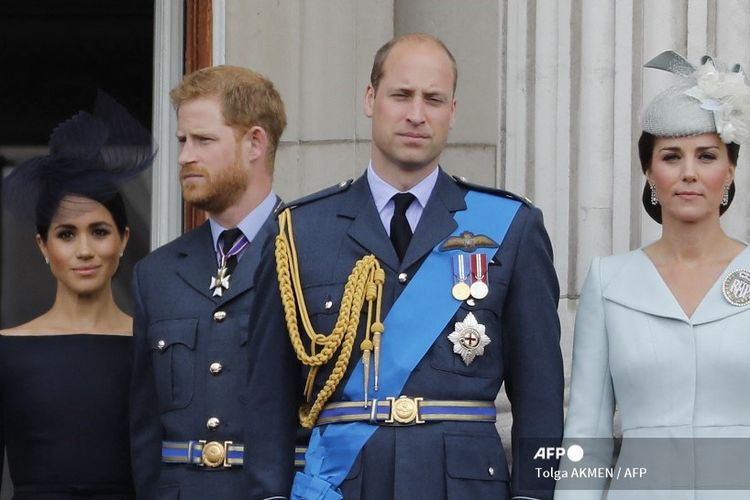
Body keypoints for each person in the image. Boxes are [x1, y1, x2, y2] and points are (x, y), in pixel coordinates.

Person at [249, 33, 564, 500]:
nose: (417, 114)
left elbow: (540, 398)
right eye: (401, 95)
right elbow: (266, 399)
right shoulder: (299, 232)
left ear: (452, 112)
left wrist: (533, 496)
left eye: (433, 99)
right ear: (370, 99)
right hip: (343, 484)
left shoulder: (510, 227)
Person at [554, 51, 750, 500]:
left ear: (730, 170)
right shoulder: (610, 280)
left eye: (706, 156)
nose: (688, 174)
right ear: (648, 171)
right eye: (670, 157)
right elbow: (588, 434)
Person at [129, 65, 298, 500]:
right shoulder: (157, 274)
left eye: (203, 140)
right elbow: (145, 429)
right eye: (183, 140)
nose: (185, 156)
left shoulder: (310, 254)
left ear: (255, 143)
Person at [0, 92, 155, 499]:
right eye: (66, 234)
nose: (84, 250)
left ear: (123, 240)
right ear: (42, 246)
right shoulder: (6, 350)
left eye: (99, 231)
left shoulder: (152, 348)